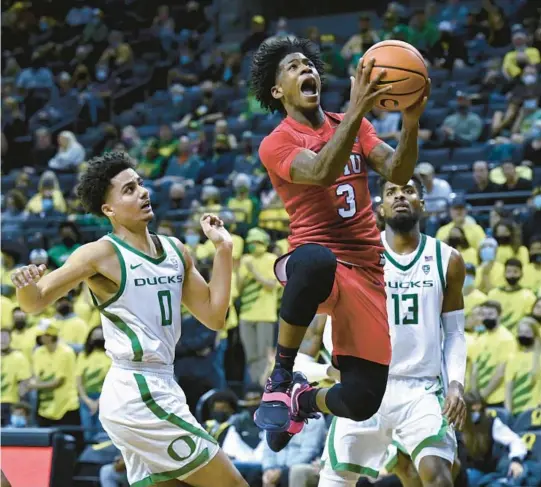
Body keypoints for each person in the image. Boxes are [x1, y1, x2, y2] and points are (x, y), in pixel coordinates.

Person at [11, 152, 247, 487]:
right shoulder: (100, 253)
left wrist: (224, 249)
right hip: (136, 390)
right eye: (128, 190)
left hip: (162, 383)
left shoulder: (176, 250)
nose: (142, 193)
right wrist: (25, 285)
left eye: (140, 184)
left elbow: (214, 316)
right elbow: (35, 302)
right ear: (108, 210)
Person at [250, 36, 428, 444]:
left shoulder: (356, 125)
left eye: (309, 65)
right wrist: (358, 109)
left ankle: (303, 401)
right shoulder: (276, 142)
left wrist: (411, 121)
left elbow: (399, 172)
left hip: (366, 270)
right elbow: (320, 172)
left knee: (363, 399)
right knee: (315, 260)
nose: (306, 70)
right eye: (293, 67)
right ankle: (281, 374)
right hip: (314, 262)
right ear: (278, 91)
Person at [310, 177, 467, 487]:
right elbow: (334, 321)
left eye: (409, 191)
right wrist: (340, 366)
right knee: (335, 481)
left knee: (438, 477)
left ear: (422, 203)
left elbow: (455, 333)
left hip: (420, 388)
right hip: (367, 384)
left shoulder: (447, 260)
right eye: (392, 192)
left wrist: (456, 385)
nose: (400, 197)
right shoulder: (357, 256)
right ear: (379, 208)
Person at [461, 392, 528, 487]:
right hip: (464, 470)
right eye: (472, 411)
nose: (476, 413)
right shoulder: (456, 425)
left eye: (479, 410)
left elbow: (515, 440)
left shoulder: (491, 423)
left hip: (485, 470)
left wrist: (516, 461)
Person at [470, 301, 516, 407]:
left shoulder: (506, 338)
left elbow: (501, 372)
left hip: (497, 398)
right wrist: (474, 393)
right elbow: (475, 368)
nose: (487, 318)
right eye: (484, 315)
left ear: (500, 315)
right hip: (479, 398)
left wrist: (483, 395)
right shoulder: (480, 338)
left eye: (490, 314)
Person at [504, 317, 540, 416]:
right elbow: (508, 388)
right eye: (521, 332)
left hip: (537, 412)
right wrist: (508, 412)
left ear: (535, 334)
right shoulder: (513, 358)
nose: (523, 335)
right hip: (518, 412)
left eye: (527, 332)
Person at [487, 258, 537, 331]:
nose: (512, 275)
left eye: (515, 271)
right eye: (508, 271)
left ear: (521, 273)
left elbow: (529, 320)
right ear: (504, 273)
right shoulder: (493, 293)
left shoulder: (528, 295)